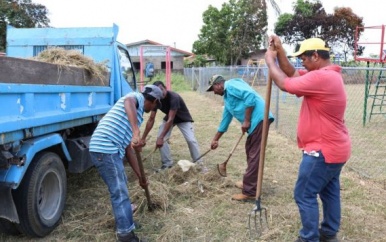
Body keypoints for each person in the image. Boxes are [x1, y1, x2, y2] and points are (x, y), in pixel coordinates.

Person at [265, 36, 351, 242]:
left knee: (304, 194)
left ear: (315, 55)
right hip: (336, 148)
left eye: (304, 57)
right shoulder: (326, 75)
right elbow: (292, 73)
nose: (301, 61)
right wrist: (280, 51)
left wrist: (270, 60)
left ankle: (309, 238)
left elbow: (285, 83)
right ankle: (329, 234)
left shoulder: (322, 78)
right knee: (329, 192)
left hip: (321, 150)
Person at [89, 84, 163, 242]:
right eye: (156, 105)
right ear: (154, 100)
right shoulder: (136, 98)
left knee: (121, 189)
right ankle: (126, 235)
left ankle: (126, 223)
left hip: (111, 150)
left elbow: (129, 148)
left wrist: (140, 176)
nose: (154, 109)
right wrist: (136, 131)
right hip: (106, 148)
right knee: (120, 192)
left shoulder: (137, 114)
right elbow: (128, 101)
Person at [206, 75, 274, 201]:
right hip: (254, 124)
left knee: (254, 155)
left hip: (260, 119)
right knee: (250, 151)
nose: (214, 92)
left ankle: (250, 192)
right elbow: (225, 121)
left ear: (218, 84)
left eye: (213, 89)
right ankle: (250, 183)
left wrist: (246, 120)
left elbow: (249, 95)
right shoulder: (227, 100)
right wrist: (216, 139)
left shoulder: (231, 85)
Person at [140, 81, 204, 171]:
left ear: (165, 88)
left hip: (183, 118)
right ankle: (167, 164)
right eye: (158, 91)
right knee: (160, 138)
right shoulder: (156, 99)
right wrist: (143, 138)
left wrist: (161, 137)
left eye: (161, 89)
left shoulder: (174, 97)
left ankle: (199, 165)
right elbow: (151, 119)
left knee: (191, 140)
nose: (161, 92)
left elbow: (171, 119)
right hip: (169, 118)